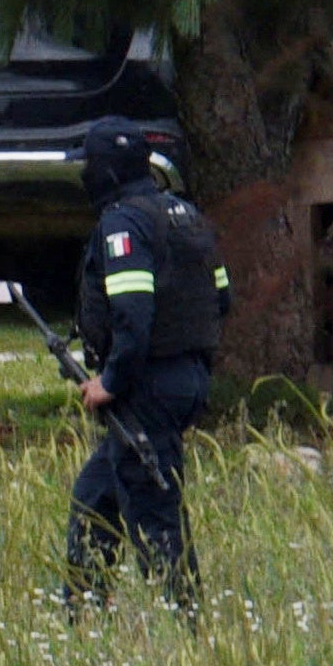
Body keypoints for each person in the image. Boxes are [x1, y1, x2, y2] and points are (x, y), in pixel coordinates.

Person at [64, 116, 228, 609]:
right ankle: (83, 611)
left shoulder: (123, 224)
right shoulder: (185, 213)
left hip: (146, 387)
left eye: (89, 166)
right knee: (95, 497)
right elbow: (223, 294)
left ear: (107, 173)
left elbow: (133, 313)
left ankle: (188, 621)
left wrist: (111, 381)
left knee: (153, 512)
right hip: (185, 377)